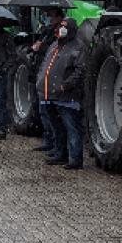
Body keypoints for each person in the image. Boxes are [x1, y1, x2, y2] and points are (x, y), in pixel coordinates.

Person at [36, 17, 88, 169]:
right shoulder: (55, 45)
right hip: (50, 93)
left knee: (72, 127)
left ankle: (75, 159)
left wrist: (66, 86)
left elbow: (80, 71)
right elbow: (45, 65)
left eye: (65, 27)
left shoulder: (78, 47)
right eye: (60, 26)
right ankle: (61, 153)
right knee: (56, 126)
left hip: (67, 96)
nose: (61, 29)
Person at [31, 7, 67, 153]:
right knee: (43, 110)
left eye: (51, 16)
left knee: (50, 113)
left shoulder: (59, 34)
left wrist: (42, 46)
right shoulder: (46, 31)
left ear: (59, 17)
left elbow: (54, 50)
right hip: (42, 74)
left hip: (51, 79)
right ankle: (48, 140)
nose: (49, 19)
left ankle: (55, 143)